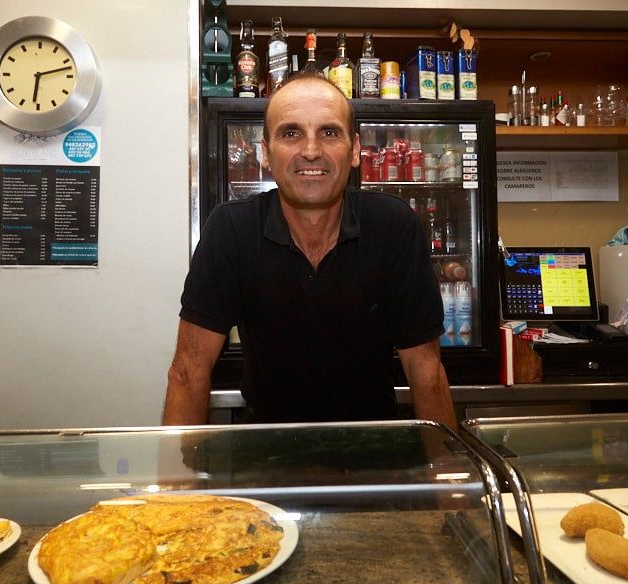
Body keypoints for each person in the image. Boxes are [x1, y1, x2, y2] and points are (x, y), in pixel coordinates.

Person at [163, 71, 456, 429]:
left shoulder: (393, 225)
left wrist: (445, 479)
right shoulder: (231, 230)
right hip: (265, 455)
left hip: (376, 453)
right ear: (265, 153)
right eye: (291, 133)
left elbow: (425, 371)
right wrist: (175, 484)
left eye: (329, 132)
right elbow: (188, 372)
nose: (311, 151)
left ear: (354, 150)